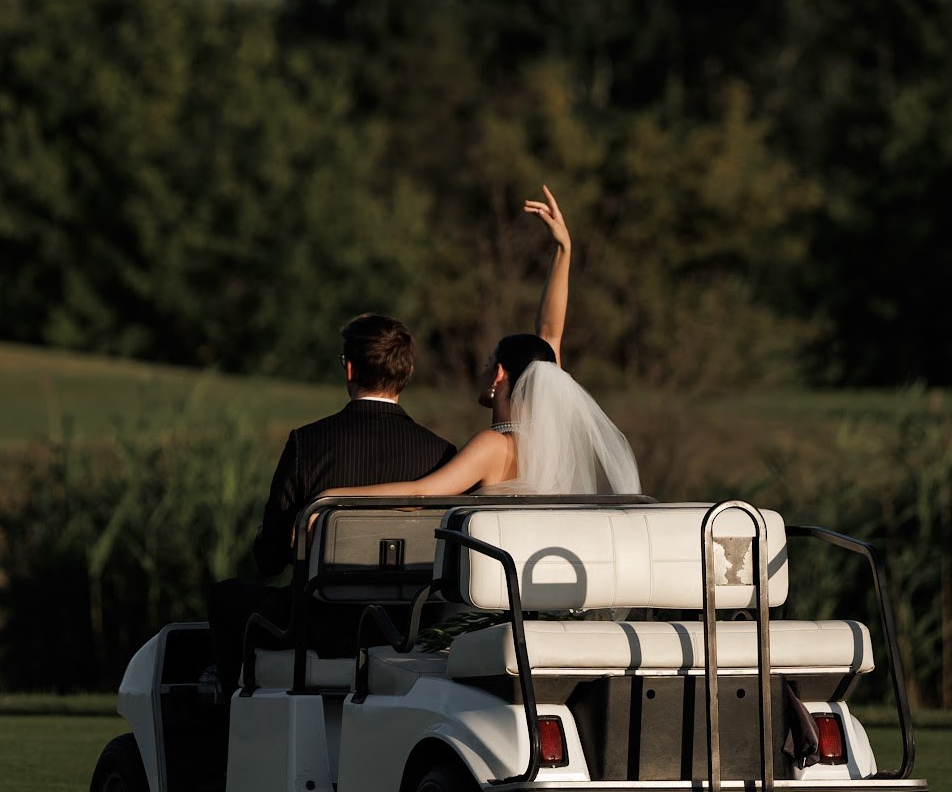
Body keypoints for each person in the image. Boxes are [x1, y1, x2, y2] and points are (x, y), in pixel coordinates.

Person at [305, 187, 640, 514]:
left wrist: (330, 498)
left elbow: (421, 493)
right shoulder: (549, 445)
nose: (482, 370)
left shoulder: (495, 446)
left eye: (487, 362)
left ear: (498, 374)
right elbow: (550, 337)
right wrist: (563, 251)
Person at [208, 311, 456, 688]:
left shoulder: (307, 444)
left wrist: (269, 536)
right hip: (407, 626)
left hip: (317, 625)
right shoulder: (441, 455)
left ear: (351, 368)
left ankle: (226, 717)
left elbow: (269, 559)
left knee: (225, 596)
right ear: (405, 372)